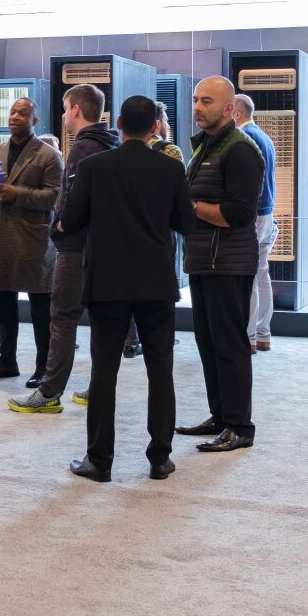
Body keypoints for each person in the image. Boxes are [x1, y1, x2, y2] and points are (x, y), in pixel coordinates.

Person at [60, 96, 194, 481]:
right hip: (156, 281)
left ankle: (99, 460)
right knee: (160, 369)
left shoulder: (93, 167)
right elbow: (186, 224)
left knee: (104, 371)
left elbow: (72, 219)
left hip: (107, 281)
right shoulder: (171, 168)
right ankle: (160, 458)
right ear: (155, 126)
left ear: (118, 123)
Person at [7, 83, 118, 413]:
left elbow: (74, 197)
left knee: (63, 318)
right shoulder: (110, 144)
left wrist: (61, 224)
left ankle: (49, 392)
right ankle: (98, 388)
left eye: (65, 108)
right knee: (102, 320)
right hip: (102, 246)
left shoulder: (83, 147)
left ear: (76, 109)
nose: (63, 115)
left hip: (76, 247)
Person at [176, 76, 264, 453]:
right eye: (196, 99)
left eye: (207, 101)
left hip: (228, 263)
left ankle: (239, 426)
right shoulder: (206, 145)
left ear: (229, 109)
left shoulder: (240, 150)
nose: (197, 107)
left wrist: (189, 206)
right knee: (209, 345)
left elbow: (240, 214)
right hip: (204, 261)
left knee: (229, 346)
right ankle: (221, 416)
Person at [0, 97, 63, 384]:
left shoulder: (49, 155)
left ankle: (44, 367)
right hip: (0, 238)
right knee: (4, 306)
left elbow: (55, 197)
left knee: (41, 308)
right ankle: (6, 361)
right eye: (12, 112)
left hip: (33, 240)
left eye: (22, 113)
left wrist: (17, 193)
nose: (14, 117)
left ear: (34, 121)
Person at [122, 100, 183, 360]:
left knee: (129, 283)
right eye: (165, 120)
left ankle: (130, 341)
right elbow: (180, 191)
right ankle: (159, 337)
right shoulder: (171, 152)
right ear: (157, 124)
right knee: (160, 284)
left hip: (127, 229)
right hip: (161, 228)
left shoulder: (118, 154)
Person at [233, 93, 277, 353]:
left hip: (253, 213)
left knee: (247, 276)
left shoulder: (244, 138)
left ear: (237, 114)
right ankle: (263, 334)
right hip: (267, 212)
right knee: (261, 273)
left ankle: (248, 337)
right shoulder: (265, 137)